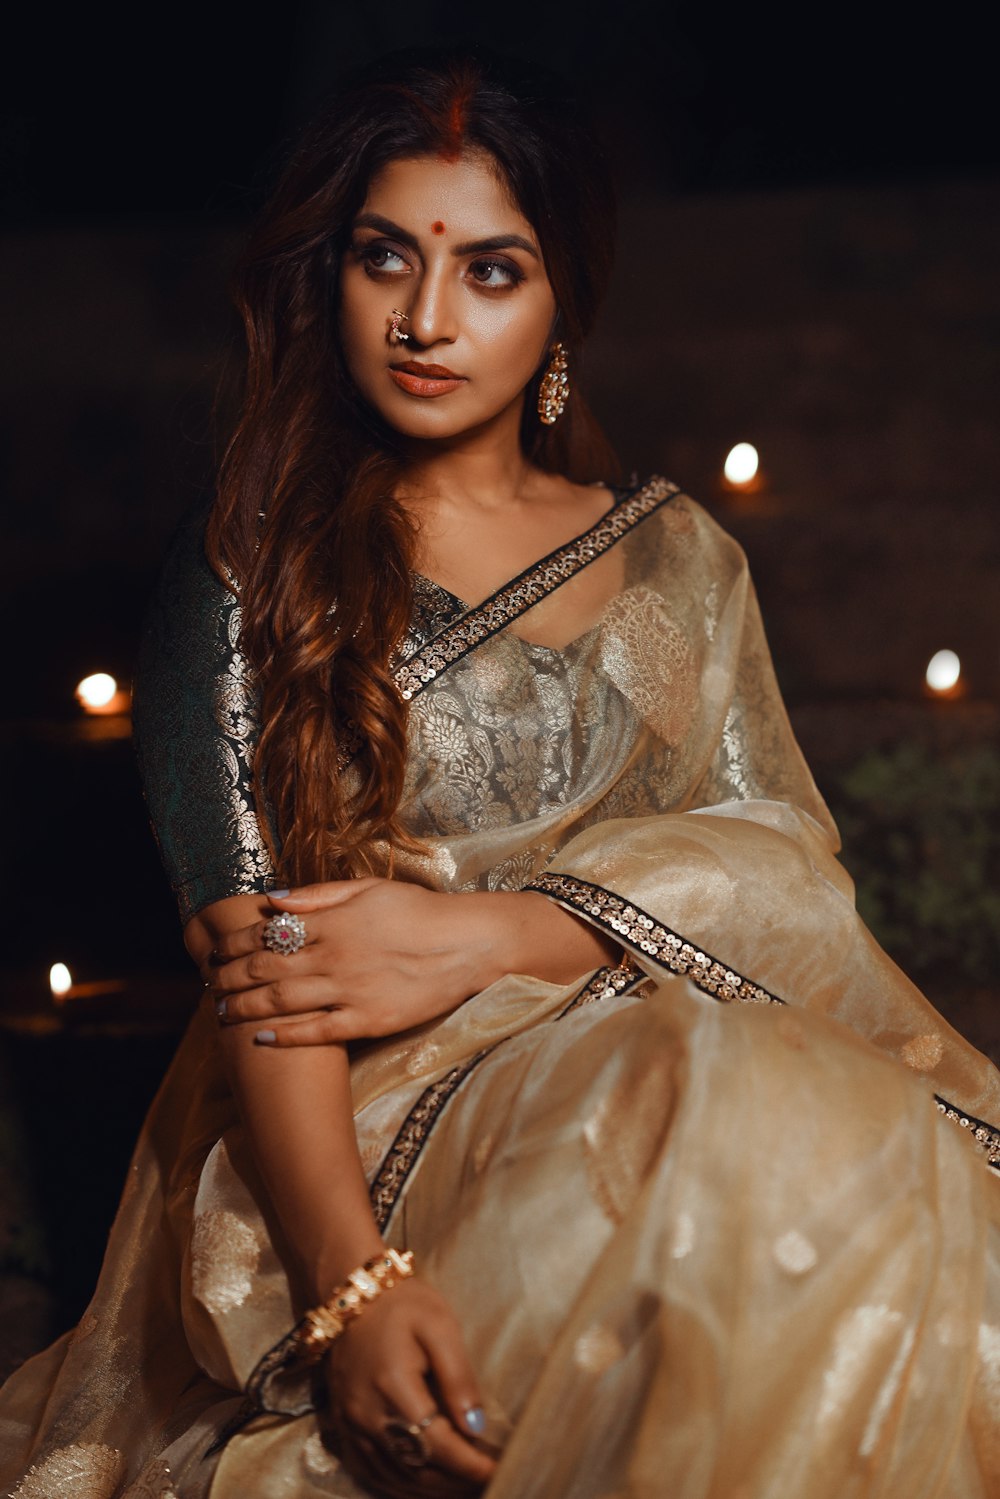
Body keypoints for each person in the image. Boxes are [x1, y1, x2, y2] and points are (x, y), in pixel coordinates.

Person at [2, 48, 999, 1499]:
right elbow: (264, 978)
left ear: (559, 308)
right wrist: (354, 1293)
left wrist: (501, 932)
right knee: (724, 1129)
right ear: (327, 279)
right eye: (386, 258)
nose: (423, 318)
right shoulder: (247, 568)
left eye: (490, 271)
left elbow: (783, 860)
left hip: (663, 1066)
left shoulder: (678, 561)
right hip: (363, 1127)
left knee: (811, 1147)